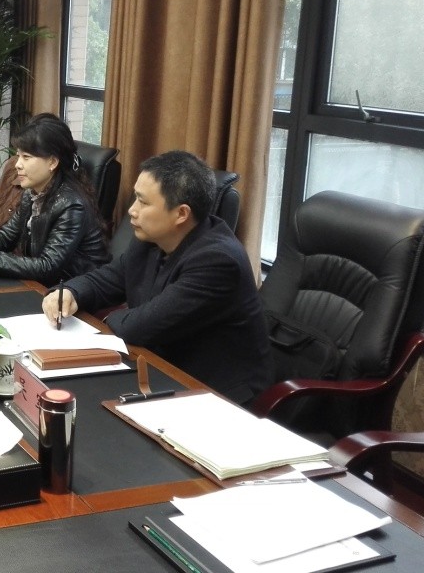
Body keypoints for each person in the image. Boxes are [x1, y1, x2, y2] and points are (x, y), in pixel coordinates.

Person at [41, 151, 272, 404]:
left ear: (181, 214)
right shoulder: (151, 239)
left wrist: (108, 318)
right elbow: (107, 279)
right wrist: (71, 292)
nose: (132, 211)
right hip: (160, 368)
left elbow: (137, 328)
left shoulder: (217, 262)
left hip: (214, 394)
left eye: (143, 202)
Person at [0, 113, 110, 287]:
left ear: (52, 162)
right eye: (18, 155)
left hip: (74, 292)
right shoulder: (32, 193)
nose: (18, 164)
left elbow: (47, 266)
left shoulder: (72, 205)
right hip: (45, 286)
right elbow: (6, 237)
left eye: (26, 157)